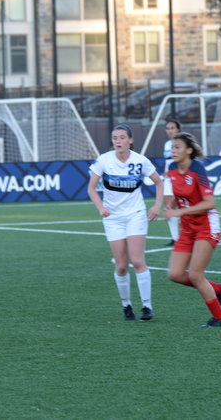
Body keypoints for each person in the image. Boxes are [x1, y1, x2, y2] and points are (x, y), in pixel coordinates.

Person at [88, 125, 164, 321]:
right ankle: (126, 305)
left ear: (130, 140)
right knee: (121, 266)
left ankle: (147, 306)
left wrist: (157, 205)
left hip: (135, 214)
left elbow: (159, 182)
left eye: (122, 137)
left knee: (137, 261)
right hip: (113, 218)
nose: (118, 141)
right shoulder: (104, 160)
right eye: (115, 138)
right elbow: (91, 189)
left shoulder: (140, 161)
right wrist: (101, 208)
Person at [165, 132, 221, 328]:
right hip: (187, 227)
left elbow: (210, 203)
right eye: (172, 147)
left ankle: (219, 318)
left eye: (177, 147)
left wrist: (179, 211)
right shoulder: (171, 168)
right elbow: (178, 193)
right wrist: (170, 205)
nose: (173, 150)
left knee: (195, 275)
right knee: (175, 274)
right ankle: (217, 289)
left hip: (206, 225)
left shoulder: (197, 169)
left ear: (189, 150)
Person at [163, 120, 182, 246]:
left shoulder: (182, 142)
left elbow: (185, 161)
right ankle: (175, 238)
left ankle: (188, 235)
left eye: (172, 128)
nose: (170, 130)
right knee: (169, 208)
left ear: (178, 129)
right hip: (169, 179)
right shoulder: (167, 144)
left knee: (184, 207)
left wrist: (173, 171)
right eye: (168, 128)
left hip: (180, 177)